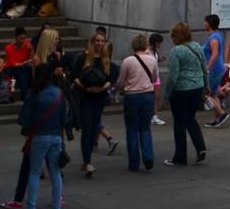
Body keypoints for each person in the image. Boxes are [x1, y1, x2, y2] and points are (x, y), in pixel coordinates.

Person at [14, 62, 67, 209]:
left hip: (39, 135)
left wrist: (27, 127)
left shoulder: (34, 93)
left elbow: (24, 118)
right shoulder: (59, 93)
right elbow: (64, 118)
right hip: (56, 135)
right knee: (56, 173)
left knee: (35, 172)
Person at [70, 31, 117, 176]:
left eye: (102, 41)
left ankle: (87, 160)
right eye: (97, 40)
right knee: (87, 129)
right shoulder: (83, 57)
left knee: (94, 128)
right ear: (92, 42)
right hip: (85, 97)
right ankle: (87, 161)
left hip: (99, 97)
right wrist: (85, 87)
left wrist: (104, 87)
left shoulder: (105, 59)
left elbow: (111, 78)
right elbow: (74, 77)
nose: (100, 43)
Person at [163, 21, 208, 167]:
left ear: (177, 36)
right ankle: (200, 147)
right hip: (197, 87)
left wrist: (167, 94)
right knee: (190, 118)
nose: (172, 40)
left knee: (179, 124)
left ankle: (180, 157)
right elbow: (204, 68)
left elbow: (173, 76)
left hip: (182, 90)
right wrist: (206, 86)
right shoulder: (197, 46)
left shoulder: (176, 51)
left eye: (173, 37)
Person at [115, 33, 160, 171]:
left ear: (133, 45)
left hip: (132, 96)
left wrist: (117, 88)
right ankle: (148, 157)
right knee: (145, 128)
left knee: (132, 129)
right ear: (145, 45)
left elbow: (121, 81)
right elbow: (154, 78)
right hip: (147, 95)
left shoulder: (128, 61)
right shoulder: (152, 60)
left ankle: (134, 162)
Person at [201, 14, 229, 126]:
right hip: (218, 68)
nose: (204, 24)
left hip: (214, 69)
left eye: (205, 22)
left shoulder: (213, 37)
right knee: (214, 94)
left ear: (209, 23)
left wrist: (208, 68)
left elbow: (215, 54)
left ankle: (221, 114)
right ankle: (217, 119)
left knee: (207, 94)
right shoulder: (218, 35)